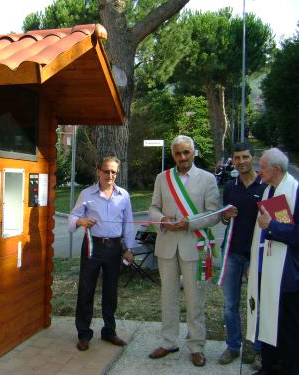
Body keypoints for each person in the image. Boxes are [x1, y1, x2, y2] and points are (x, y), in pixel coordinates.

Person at [148, 135, 220, 367]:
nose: (182, 157)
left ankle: (196, 345)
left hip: (194, 245)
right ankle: (169, 341)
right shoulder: (162, 178)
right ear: (173, 155)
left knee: (194, 298)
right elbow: (153, 208)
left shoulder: (207, 179)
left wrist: (190, 223)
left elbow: (214, 214)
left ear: (194, 152)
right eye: (178, 153)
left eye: (186, 152)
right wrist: (162, 219)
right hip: (167, 245)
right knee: (167, 297)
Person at [68, 155, 136, 351]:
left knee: (110, 291)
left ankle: (109, 331)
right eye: (106, 171)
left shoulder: (124, 195)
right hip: (92, 246)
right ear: (98, 172)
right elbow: (74, 216)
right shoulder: (87, 194)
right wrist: (80, 221)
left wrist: (129, 249)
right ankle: (84, 334)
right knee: (86, 289)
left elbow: (128, 223)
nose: (110, 175)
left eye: (113, 172)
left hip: (114, 248)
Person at [247, 148, 299, 375]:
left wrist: (273, 227)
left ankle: (288, 368)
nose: (259, 171)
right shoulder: (268, 190)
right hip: (267, 267)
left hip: (289, 273)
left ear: (276, 169)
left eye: (263, 167)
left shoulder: (295, 192)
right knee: (268, 319)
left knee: (288, 326)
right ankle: (269, 366)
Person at [218, 143, 265, 367]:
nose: (241, 161)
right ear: (233, 161)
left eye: (245, 157)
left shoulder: (266, 187)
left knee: (258, 303)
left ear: (253, 158)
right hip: (232, 254)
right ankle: (233, 346)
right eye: (237, 158)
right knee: (230, 304)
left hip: (257, 256)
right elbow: (224, 220)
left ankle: (258, 350)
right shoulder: (230, 187)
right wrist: (226, 216)